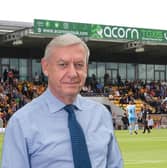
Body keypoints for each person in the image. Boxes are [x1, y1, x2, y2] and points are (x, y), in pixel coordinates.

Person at [1, 33, 123, 168]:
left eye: (79, 65)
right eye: (63, 64)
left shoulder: (101, 114)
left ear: (86, 69)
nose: (72, 73)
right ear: (45, 67)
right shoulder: (21, 123)